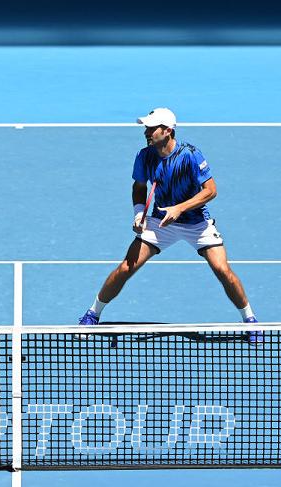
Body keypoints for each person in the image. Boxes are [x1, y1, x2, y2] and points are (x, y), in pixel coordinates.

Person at [78, 108, 261, 343]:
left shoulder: (191, 155)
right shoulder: (145, 156)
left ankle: (251, 320)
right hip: (161, 221)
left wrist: (180, 208)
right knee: (126, 267)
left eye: (152, 128)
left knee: (222, 270)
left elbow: (211, 191)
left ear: (167, 131)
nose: (147, 131)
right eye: (147, 127)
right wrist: (138, 214)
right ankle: (93, 314)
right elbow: (139, 187)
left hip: (196, 223)